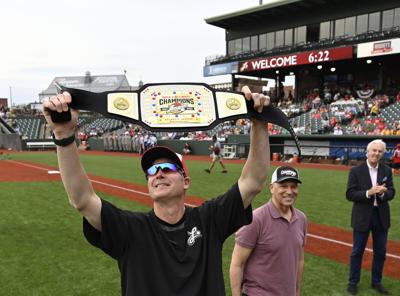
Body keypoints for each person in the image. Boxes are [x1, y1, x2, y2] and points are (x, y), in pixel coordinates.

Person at [42, 86, 271, 296]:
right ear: (149, 183)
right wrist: (63, 135)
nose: (158, 173)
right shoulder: (130, 229)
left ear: (186, 182)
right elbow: (82, 200)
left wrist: (259, 123)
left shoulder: (209, 220)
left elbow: (253, 181)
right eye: (151, 170)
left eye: (168, 167)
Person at [230, 165, 307, 296]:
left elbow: (299, 260)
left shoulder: (301, 219)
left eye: (293, 186)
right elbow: (237, 264)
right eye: (283, 185)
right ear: (271, 188)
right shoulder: (255, 219)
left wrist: (297, 291)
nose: (289, 191)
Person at [346, 139, 395, 295]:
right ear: (367, 151)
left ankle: (376, 282)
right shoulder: (355, 171)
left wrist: (384, 194)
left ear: (383, 153)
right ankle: (353, 282)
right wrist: (369, 192)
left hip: (381, 217)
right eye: (374, 150)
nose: (376, 153)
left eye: (380, 151)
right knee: (357, 251)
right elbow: (350, 194)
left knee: (380, 252)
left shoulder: (387, 170)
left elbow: (392, 192)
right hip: (362, 217)